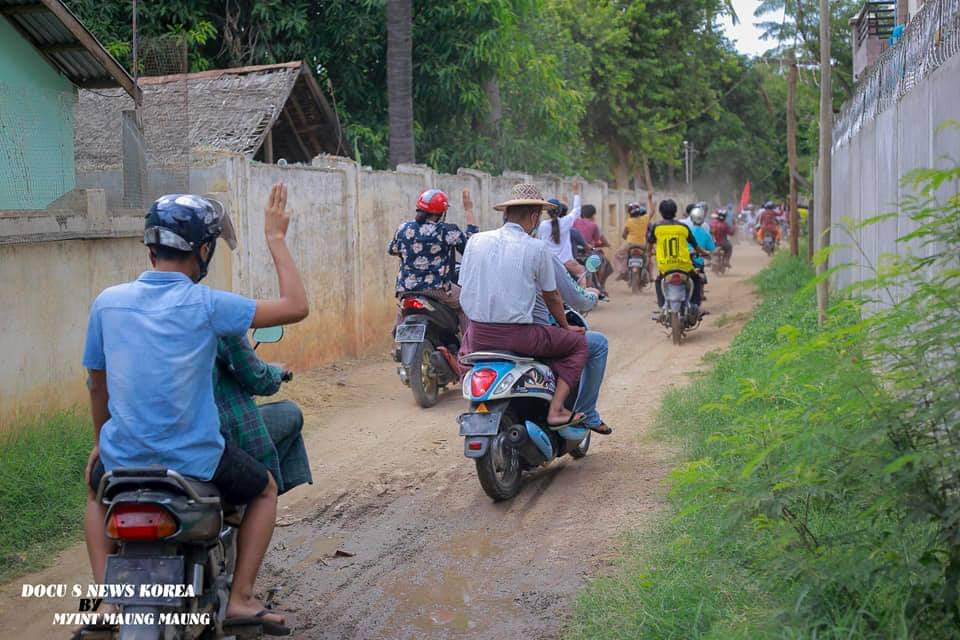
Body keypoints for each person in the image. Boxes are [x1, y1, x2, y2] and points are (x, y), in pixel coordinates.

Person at [82, 185, 308, 632]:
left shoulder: (107, 303)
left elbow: (96, 384)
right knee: (263, 489)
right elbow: (296, 307)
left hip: (123, 459)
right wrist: (276, 240)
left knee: (94, 493)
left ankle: (109, 599)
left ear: (151, 247)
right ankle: (241, 598)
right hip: (196, 462)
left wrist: (102, 442)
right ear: (203, 250)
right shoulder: (207, 304)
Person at [459, 183, 588, 427]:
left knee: (463, 359)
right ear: (533, 216)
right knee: (578, 344)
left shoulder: (475, 241)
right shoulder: (536, 248)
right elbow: (552, 297)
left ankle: (477, 405)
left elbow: (465, 288)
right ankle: (557, 410)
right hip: (519, 337)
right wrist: (565, 327)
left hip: (477, 336)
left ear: (506, 214)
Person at [215, 334, 312, 495]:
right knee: (290, 412)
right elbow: (257, 378)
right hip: (216, 436)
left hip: (168, 441)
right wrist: (276, 372)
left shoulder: (160, 326)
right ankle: (254, 495)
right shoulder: (219, 320)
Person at [531, 255, 612, 435]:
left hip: (483, 335)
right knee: (595, 343)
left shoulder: (482, 251)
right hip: (530, 334)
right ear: (533, 225)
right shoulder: (540, 253)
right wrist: (592, 295)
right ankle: (585, 412)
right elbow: (557, 297)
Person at [388, 188, 477, 329]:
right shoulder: (446, 230)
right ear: (441, 213)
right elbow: (472, 247)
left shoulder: (403, 228)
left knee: (402, 310)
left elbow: (392, 250)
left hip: (406, 288)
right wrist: (469, 211)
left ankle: (397, 346)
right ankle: (468, 347)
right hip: (437, 288)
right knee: (467, 301)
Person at [646, 199, 708, 314]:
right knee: (696, 279)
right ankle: (696, 305)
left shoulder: (657, 227)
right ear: (675, 212)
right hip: (684, 266)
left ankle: (661, 305)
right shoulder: (683, 227)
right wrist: (705, 253)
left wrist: (649, 254)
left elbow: (649, 245)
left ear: (661, 212)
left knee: (658, 281)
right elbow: (696, 246)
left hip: (665, 267)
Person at [537, 181, 584, 280]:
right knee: (582, 274)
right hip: (567, 262)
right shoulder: (566, 222)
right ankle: (582, 294)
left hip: (549, 262)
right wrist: (576, 193)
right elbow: (576, 210)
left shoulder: (542, 225)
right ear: (560, 211)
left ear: (547, 212)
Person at [572, 204, 613, 292]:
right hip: (588, 252)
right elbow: (598, 241)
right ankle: (601, 286)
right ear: (593, 215)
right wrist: (606, 245)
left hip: (574, 253)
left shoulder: (575, 222)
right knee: (604, 262)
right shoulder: (593, 225)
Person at [613, 202, 650, 280]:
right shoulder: (645, 218)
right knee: (648, 256)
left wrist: (627, 237)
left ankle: (622, 271)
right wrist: (650, 200)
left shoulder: (629, 221)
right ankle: (648, 274)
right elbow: (652, 212)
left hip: (630, 244)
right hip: (642, 244)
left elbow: (624, 234)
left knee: (618, 255)